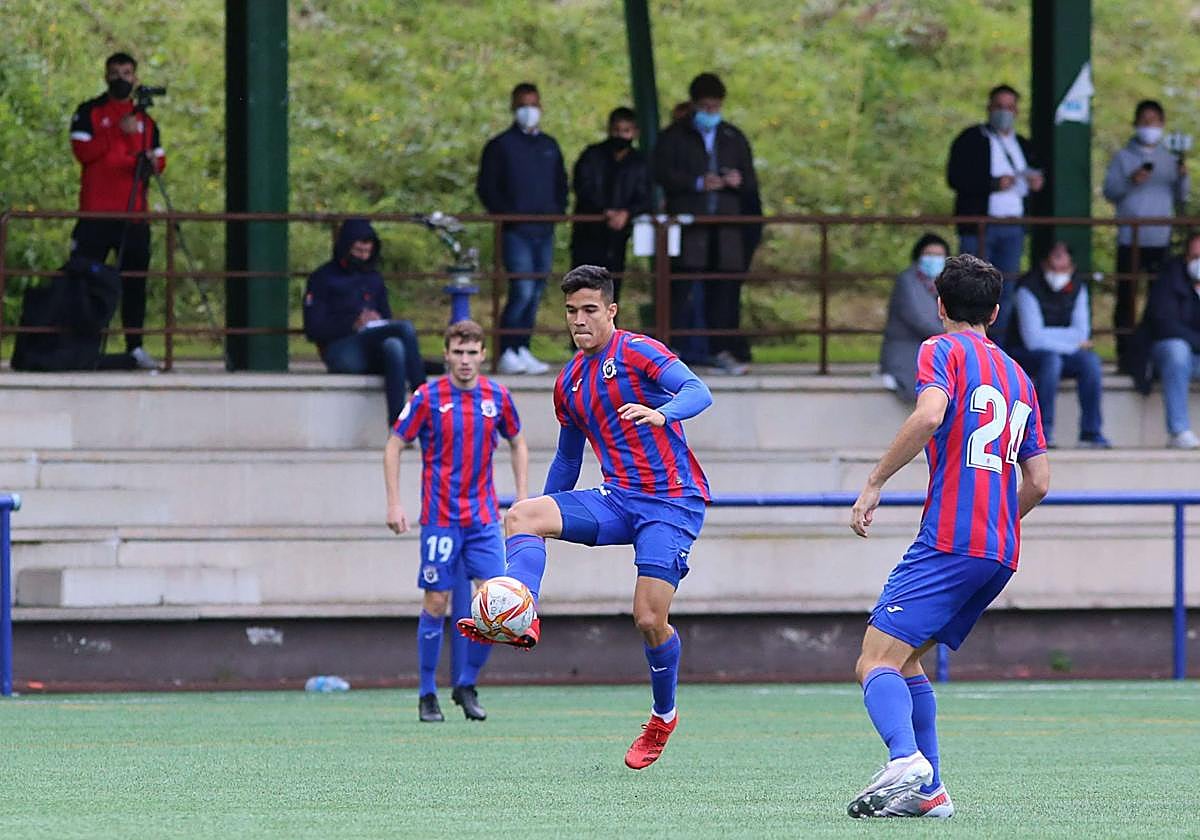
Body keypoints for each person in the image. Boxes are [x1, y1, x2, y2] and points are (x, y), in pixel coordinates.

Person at [456, 265, 713, 770]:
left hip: (672, 502)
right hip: (617, 499)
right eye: (572, 311)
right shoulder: (570, 380)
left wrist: (662, 413)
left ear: (611, 311)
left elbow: (698, 391)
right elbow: (568, 459)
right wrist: (548, 517)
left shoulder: (638, 351)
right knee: (523, 515)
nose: (579, 320)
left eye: (590, 309)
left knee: (649, 619)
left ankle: (663, 716)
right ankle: (520, 609)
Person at [847, 254, 1050, 819]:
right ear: (995, 311)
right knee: (906, 657)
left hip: (950, 540)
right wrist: (998, 520)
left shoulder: (942, 350)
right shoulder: (1020, 376)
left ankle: (904, 760)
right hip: (1000, 550)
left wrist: (874, 482)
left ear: (939, 305)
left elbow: (929, 415)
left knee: (873, 660)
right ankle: (930, 790)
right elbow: (1039, 480)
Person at [385, 320, 529, 722]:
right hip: (440, 518)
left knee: (495, 602)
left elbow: (518, 442)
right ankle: (427, 693)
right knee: (436, 600)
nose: (465, 360)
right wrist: (394, 503)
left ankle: (466, 684)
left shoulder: (497, 396)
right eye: (458, 352)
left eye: (472, 352)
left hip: (483, 520)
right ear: (446, 355)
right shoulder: (427, 397)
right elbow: (394, 445)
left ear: (482, 355)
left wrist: (522, 495)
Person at [655, 72, 760, 374]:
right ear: (694, 105)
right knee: (680, 287)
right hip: (690, 226)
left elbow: (751, 181)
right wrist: (698, 183)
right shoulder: (674, 137)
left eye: (716, 107)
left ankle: (722, 350)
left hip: (726, 227)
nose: (712, 112)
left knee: (724, 290)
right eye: (706, 107)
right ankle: (669, 352)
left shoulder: (732, 137)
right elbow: (661, 173)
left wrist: (737, 180)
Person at [68, 52, 166, 371]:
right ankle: (79, 346)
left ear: (135, 78)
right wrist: (116, 132)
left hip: (133, 215)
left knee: (134, 283)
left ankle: (134, 346)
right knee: (85, 281)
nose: (121, 79)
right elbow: (83, 152)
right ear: (105, 76)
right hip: (96, 215)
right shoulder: (89, 111)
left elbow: (159, 162)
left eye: (126, 73)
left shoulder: (147, 123)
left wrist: (147, 158)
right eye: (115, 73)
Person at [476, 82, 568, 376]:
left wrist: (557, 211)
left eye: (533, 104)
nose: (529, 110)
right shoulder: (500, 146)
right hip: (516, 231)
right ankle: (507, 349)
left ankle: (522, 347)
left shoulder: (549, 145)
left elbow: (561, 184)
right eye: (522, 105)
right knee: (523, 289)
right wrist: (507, 215)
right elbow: (487, 187)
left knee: (537, 291)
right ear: (513, 108)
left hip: (544, 231)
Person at [946, 84, 1045, 346]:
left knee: (1005, 291)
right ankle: (968, 346)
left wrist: (1036, 183)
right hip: (979, 228)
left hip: (1013, 228)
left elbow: (1037, 174)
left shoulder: (1022, 145)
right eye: (999, 107)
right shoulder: (971, 139)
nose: (1004, 112)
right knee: (970, 289)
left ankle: (995, 349)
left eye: (1010, 107)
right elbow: (955, 177)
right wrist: (992, 184)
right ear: (989, 108)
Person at [303, 218, 426, 426]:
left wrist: (378, 320)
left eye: (367, 252)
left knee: (394, 346)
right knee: (404, 328)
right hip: (340, 347)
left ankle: (397, 425)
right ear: (346, 248)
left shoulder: (374, 278)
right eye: (358, 251)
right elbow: (313, 328)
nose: (362, 257)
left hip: (372, 343)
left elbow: (386, 317)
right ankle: (425, 403)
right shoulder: (322, 278)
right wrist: (353, 323)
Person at [1103, 99, 1190, 371]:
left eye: (1154, 121)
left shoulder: (1170, 159)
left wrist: (1183, 175)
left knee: (1160, 299)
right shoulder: (1123, 157)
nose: (1149, 126)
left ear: (1162, 124)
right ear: (1135, 123)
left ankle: (1154, 353)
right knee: (1126, 296)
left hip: (1160, 239)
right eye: (1144, 120)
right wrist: (1131, 180)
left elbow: (1182, 198)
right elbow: (1109, 191)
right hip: (1130, 239)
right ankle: (1125, 354)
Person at [1008, 242, 1111, 449]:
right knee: (1051, 361)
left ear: (1072, 267)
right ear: (1044, 264)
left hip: (1060, 354)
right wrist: (1073, 342)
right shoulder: (1028, 288)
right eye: (1054, 266)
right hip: (1025, 354)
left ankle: (1091, 433)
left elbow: (1081, 332)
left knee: (1090, 361)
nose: (1059, 272)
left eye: (1064, 268)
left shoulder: (1078, 287)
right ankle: (1042, 433)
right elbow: (1033, 339)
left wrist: (1058, 338)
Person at [570, 107, 653, 302]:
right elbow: (583, 187)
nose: (621, 136)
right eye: (617, 130)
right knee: (583, 292)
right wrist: (603, 211)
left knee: (611, 293)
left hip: (617, 239)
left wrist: (627, 213)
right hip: (588, 234)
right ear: (609, 129)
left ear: (635, 132)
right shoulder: (592, 156)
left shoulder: (640, 163)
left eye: (626, 131)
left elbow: (646, 197)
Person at [1138, 232, 1200, 449]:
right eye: (1195, 256)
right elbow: (1165, 324)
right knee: (1177, 350)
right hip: (1167, 354)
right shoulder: (1169, 279)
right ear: (1186, 257)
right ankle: (1179, 431)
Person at [880, 233, 950, 401]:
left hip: (937, 351)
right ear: (918, 256)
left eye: (939, 255)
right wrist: (957, 334)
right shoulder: (907, 282)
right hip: (907, 353)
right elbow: (920, 320)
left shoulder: (946, 283)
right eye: (929, 254)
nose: (934, 259)